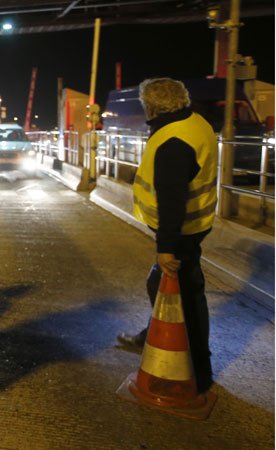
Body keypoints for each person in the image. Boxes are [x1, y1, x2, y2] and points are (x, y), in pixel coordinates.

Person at [117, 78, 217, 394]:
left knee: (186, 295)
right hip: (196, 223)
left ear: (150, 105)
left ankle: (200, 371)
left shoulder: (172, 142)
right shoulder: (194, 122)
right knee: (160, 284)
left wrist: (166, 248)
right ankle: (152, 337)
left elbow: (171, 198)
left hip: (181, 230)